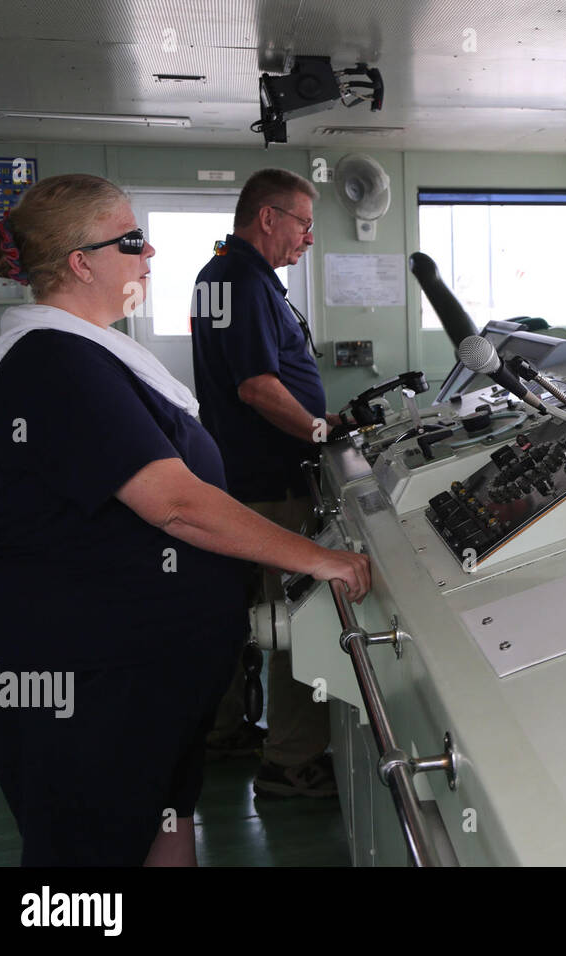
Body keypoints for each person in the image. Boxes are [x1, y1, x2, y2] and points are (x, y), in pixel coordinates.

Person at [0, 174, 371, 866]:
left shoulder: (94, 352)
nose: (150, 251)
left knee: (164, 825)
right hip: (82, 677)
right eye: (131, 238)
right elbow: (175, 503)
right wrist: (320, 559)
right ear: (81, 262)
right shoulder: (53, 362)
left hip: (146, 674)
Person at [190, 169, 343, 797]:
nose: (309, 237)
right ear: (269, 218)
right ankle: (291, 760)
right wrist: (319, 432)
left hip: (236, 471)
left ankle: (221, 729)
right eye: (304, 224)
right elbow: (256, 385)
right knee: (294, 613)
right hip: (272, 480)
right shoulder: (242, 277)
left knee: (234, 608)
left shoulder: (216, 272)